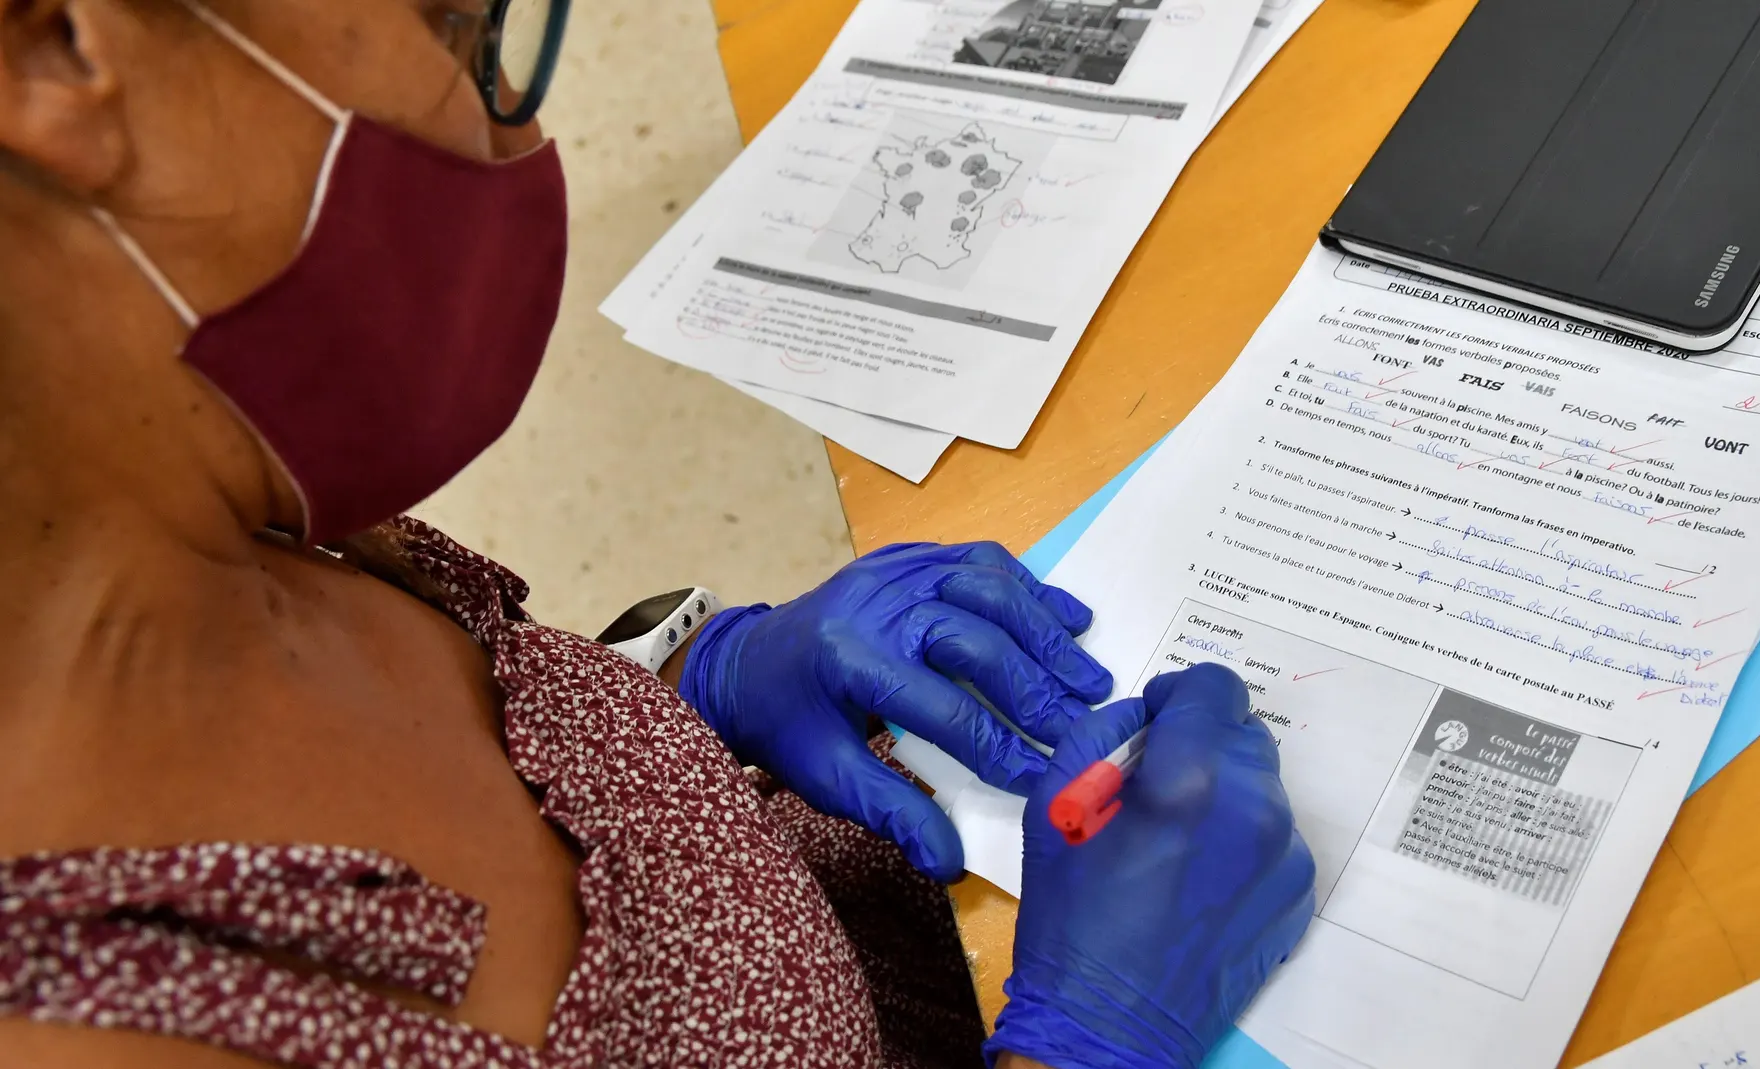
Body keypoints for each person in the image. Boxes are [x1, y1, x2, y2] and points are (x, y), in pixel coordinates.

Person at [0, 1, 1317, 1067]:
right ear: (62, 45)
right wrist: (1090, 1049)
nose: (508, 130)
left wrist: (695, 689)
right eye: (458, 26)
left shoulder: (219, 493)